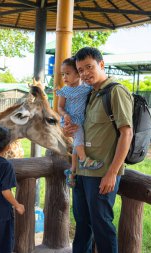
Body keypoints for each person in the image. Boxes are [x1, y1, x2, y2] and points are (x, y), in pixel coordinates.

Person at [70, 47, 134, 253]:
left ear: (101, 65)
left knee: (102, 226)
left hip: (102, 174)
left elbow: (127, 134)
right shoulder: (90, 95)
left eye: (89, 67)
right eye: (80, 70)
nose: (85, 73)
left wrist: (112, 173)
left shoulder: (116, 91)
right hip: (82, 171)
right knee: (82, 226)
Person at [56, 57, 104, 188]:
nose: (64, 77)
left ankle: (72, 170)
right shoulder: (64, 91)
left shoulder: (86, 88)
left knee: (78, 144)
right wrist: (65, 114)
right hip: (70, 120)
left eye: (67, 73)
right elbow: (59, 107)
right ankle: (84, 160)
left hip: (81, 120)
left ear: (78, 74)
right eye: (63, 74)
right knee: (79, 139)